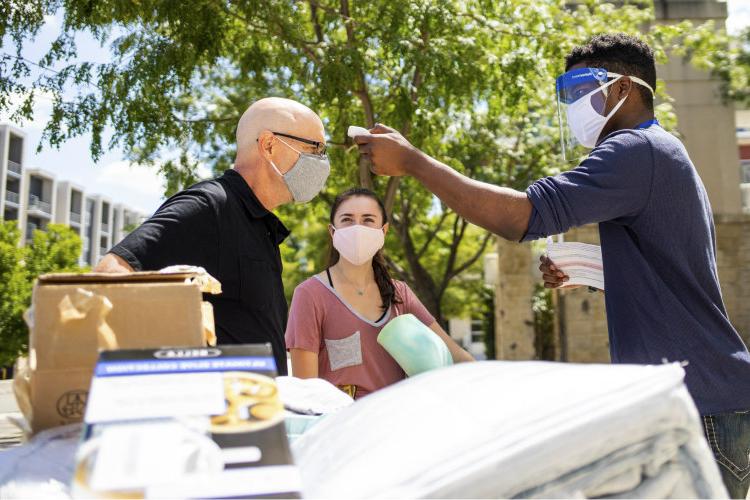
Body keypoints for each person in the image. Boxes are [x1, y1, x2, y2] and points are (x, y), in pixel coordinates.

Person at [353, 34, 750, 497]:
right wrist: (594, 270)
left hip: (700, 403)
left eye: (583, 88)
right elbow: (675, 273)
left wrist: (414, 162)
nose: (574, 104)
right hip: (708, 397)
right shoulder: (660, 150)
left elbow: (521, 217)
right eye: (569, 93)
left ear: (623, 88)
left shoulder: (636, 151)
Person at [94, 97, 331, 375]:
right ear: (269, 145)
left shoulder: (259, 223)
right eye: (314, 149)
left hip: (257, 411)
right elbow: (108, 277)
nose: (321, 162)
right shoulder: (209, 206)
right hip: (216, 413)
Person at [285, 187, 473, 399]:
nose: (357, 228)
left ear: (383, 231)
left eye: (367, 220)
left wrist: (490, 380)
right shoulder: (310, 295)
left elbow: (455, 355)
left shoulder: (399, 293)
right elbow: (304, 394)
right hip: (341, 427)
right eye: (347, 219)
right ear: (332, 231)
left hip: (393, 423)